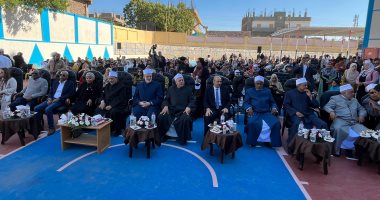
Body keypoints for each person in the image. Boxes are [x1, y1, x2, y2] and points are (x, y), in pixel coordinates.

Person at [323, 84, 368, 157]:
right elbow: (327, 106)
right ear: (343, 93)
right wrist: (331, 111)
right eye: (351, 92)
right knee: (338, 129)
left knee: (365, 132)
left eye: (353, 92)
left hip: (354, 122)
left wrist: (361, 115)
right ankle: (336, 150)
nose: (353, 94)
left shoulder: (354, 100)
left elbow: (362, 109)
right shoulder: (335, 98)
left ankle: (356, 151)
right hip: (341, 120)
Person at [283, 78, 327, 143]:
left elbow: (316, 105)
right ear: (298, 85)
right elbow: (286, 105)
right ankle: (292, 143)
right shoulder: (289, 93)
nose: (306, 87)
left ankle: (321, 144)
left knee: (323, 124)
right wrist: (296, 112)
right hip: (295, 115)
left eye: (306, 85)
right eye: (304, 85)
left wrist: (310, 97)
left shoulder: (307, 93)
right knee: (297, 124)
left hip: (308, 114)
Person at [157, 74, 195, 145]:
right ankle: (164, 136)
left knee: (185, 119)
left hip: (183, 111)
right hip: (171, 110)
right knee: (161, 117)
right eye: (179, 80)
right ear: (176, 82)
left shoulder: (188, 90)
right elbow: (166, 99)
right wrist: (165, 106)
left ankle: (182, 138)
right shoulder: (171, 89)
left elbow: (192, 101)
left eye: (182, 80)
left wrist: (189, 107)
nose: (181, 82)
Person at [244, 76, 281, 147]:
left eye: (261, 84)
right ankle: (253, 141)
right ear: (254, 83)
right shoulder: (249, 91)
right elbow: (246, 102)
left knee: (276, 123)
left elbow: (272, 102)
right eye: (257, 83)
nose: (259, 85)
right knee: (252, 123)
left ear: (263, 84)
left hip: (266, 112)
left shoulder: (267, 91)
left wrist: (274, 108)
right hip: (255, 112)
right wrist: (249, 108)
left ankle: (268, 140)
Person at [34, 71, 75, 135]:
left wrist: (59, 98)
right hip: (52, 99)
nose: (61, 76)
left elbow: (70, 94)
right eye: (60, 74)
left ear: (67, 77)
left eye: (64, 75)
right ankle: (39, 127)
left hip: (61, 100)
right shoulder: (55, 82)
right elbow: (50, 92)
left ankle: (51, 128)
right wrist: (49, 98)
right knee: (36, 108)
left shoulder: (70, 83)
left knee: (48, 109)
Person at [95, 71, 128, 136]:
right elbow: (102, 95)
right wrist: (102, 101)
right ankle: (101, 127)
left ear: (116, 78)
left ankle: (116, 130)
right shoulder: (107, 85)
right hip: (106, 104)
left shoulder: (122, 86)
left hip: (119, 105)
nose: (110, 80)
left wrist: (111, 105)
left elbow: (121, 98)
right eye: (109, 78)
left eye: (112, 79)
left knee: (113, 112)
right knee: (98, 110)